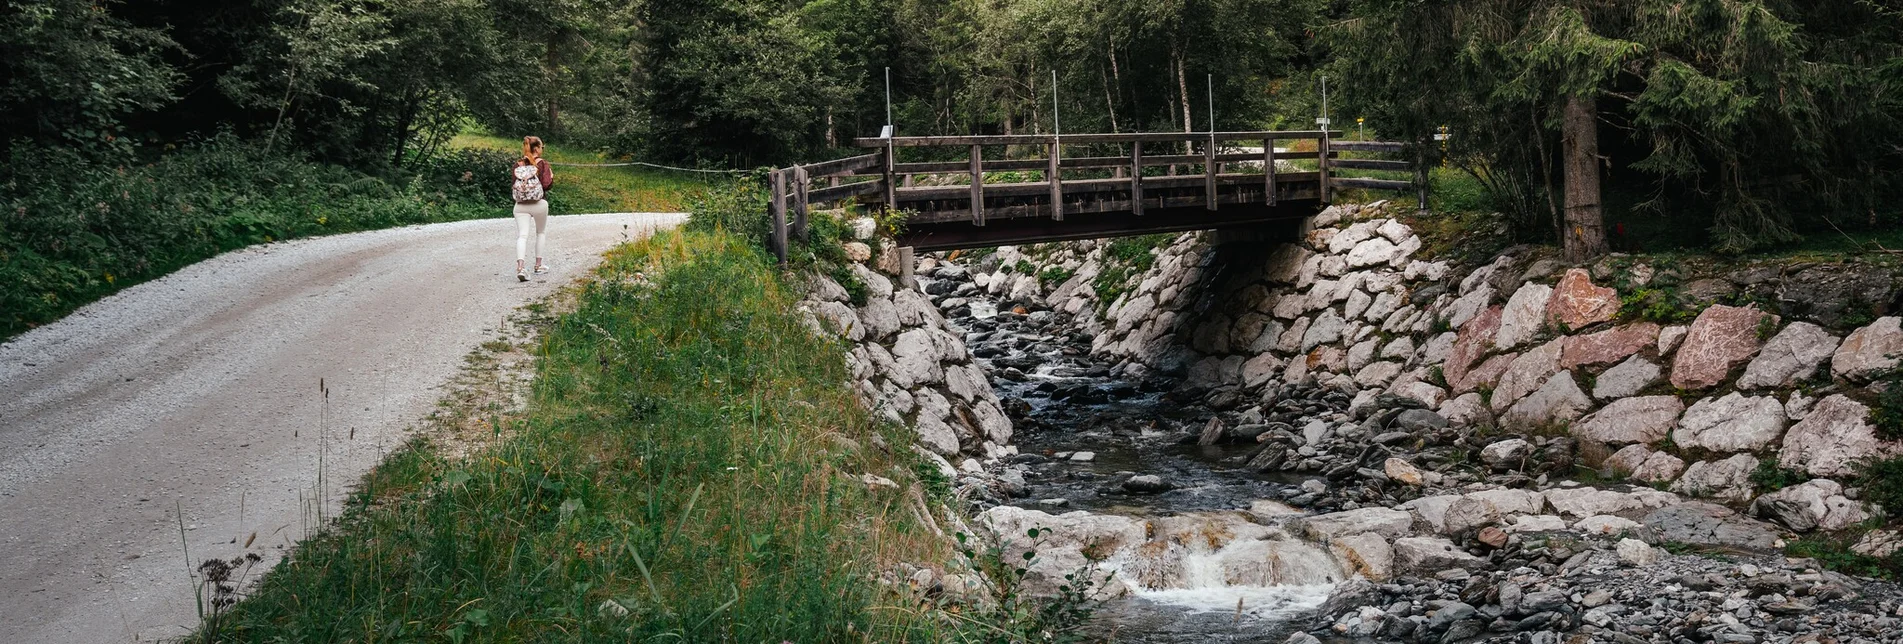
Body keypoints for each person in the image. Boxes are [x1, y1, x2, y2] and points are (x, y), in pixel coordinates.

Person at [510, 136, 554, 281]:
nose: (542, 150)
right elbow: (546, 184)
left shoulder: (518, 165)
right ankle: (538, 265)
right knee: (540, 232)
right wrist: (551, 177)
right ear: (537, 148)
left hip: (520, 205)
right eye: (542, 147)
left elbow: (513, 184)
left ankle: (521, 267)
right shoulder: (542, 164)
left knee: (522, 235)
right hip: (539, 204)